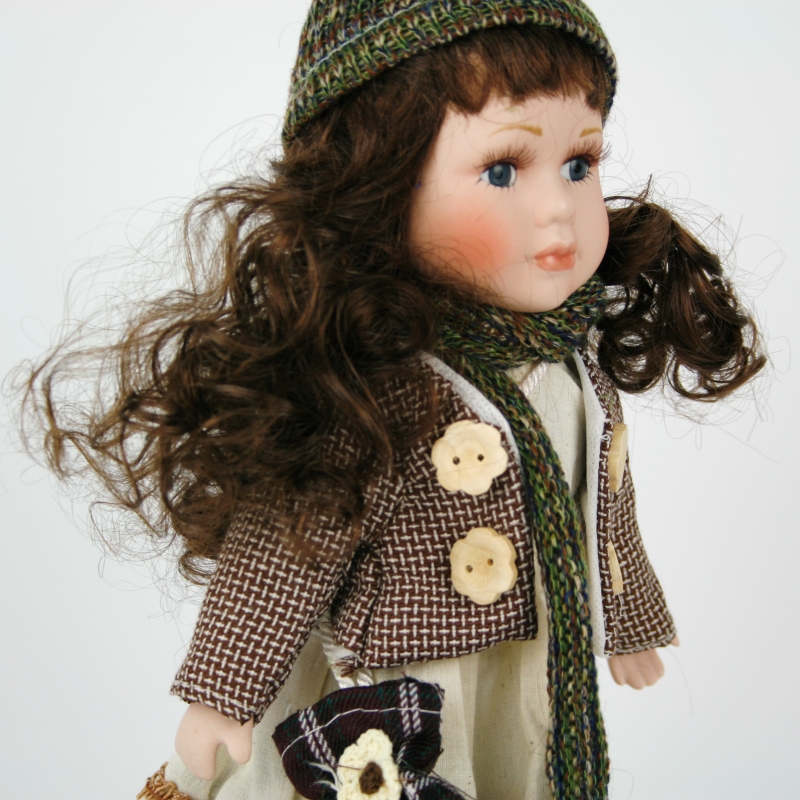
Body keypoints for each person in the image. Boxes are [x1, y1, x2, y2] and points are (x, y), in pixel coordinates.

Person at [23, 2, 763, 799]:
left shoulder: (573, 359)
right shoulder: (373, 378)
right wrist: (221, 693)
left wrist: (628, 620)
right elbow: (290, 542)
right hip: (402, 680)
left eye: (580, 163)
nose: (559, 207)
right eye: (503, 170)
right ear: (378, 184)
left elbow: (603, 506)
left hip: (530, 662)